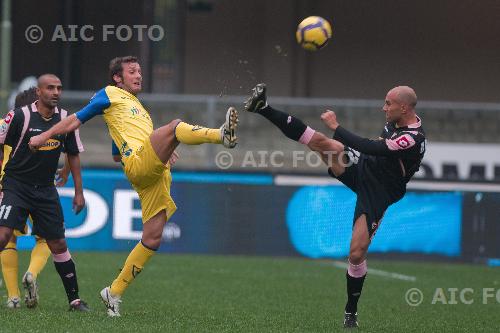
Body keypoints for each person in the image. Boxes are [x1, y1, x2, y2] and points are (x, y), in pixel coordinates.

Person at [29, 56, 239, 317]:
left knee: (152, 238)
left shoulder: (138, 108)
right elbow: (74, 120)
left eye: (139, 71)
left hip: (156, 173)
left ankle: (113, 292)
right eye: (132, 71)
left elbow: (117, 153)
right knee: (174, 126)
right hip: (141, 164)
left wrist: (164, 149)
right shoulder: (109, 94)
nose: (139, 75)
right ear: (118, 78)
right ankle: (221, 135)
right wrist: (45, 135)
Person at [244, 83, 425, 328]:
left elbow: (371, 147)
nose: (383, 108)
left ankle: (351, 311)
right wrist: (337, 137)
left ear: (403, 108)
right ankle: (263, 107)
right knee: (320, 142)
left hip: (379, 192)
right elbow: (373, 151)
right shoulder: (394, 123)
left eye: (388, 104)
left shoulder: (413, 138)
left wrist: (336, 126)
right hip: (365, 167)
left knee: (356, 252)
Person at [0, 75, 88, 311]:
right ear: (39, 92)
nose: (56, 92)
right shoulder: (19, 115)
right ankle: (13, 294)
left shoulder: (67, 120)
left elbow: (73, 155)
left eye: (59, 88)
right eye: (50, 88)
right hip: (16, 185)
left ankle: (75, 300)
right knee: (3, 234)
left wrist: (79, 192)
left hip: (45, 189)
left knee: (58, 243)